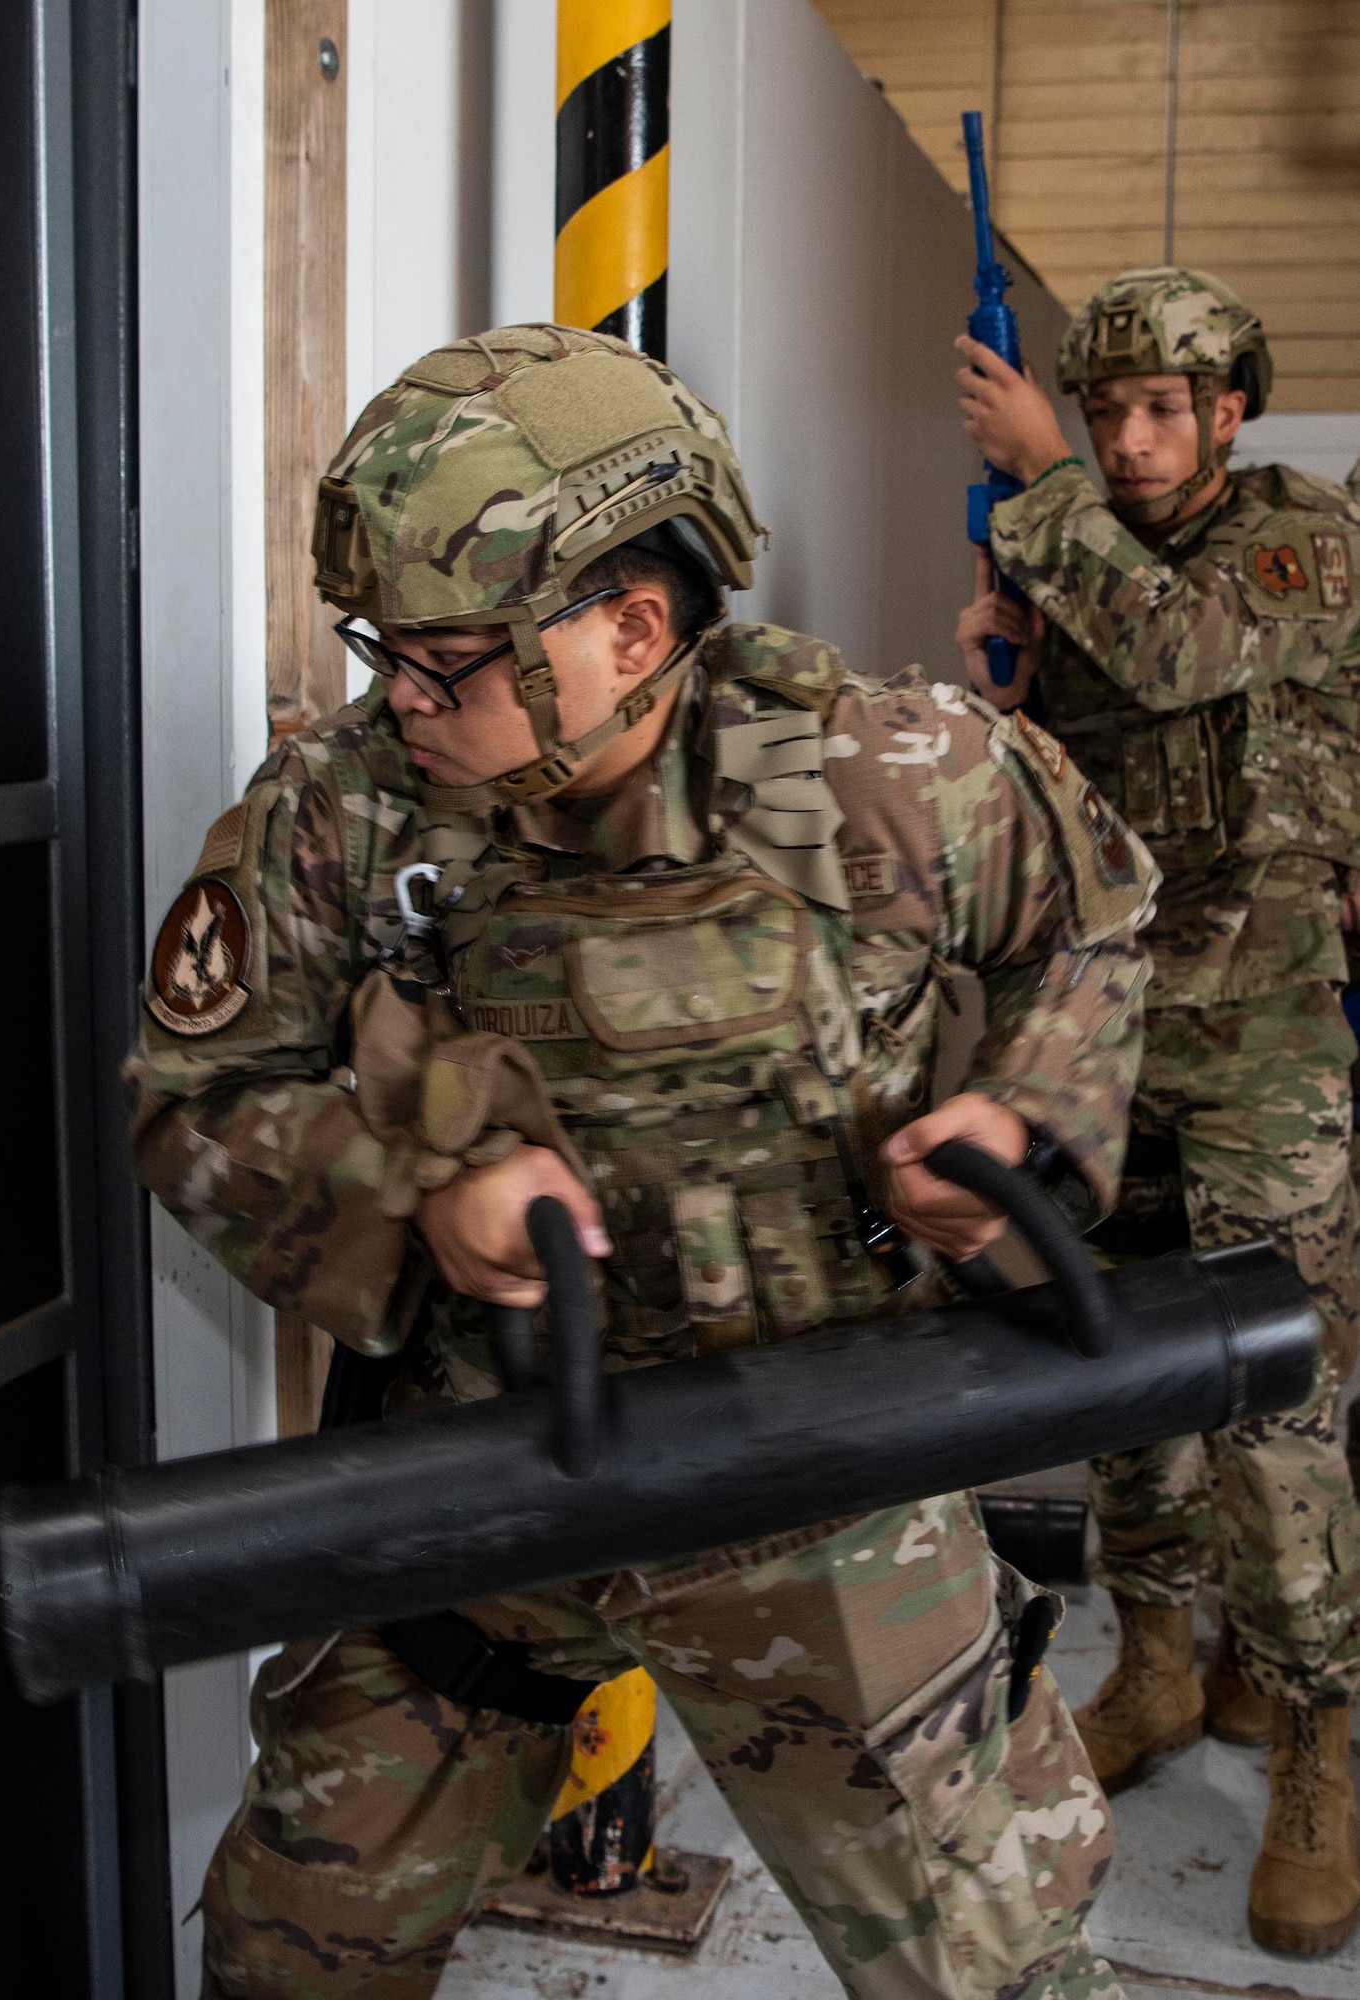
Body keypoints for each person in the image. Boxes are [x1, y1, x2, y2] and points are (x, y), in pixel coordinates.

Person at [133, 324, 1156, 2000]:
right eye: (383, 646)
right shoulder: (343, 814)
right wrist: (415, 1213)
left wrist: (1025, 1125)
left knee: (997, 1973)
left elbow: (1099, 920)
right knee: (293, 1947)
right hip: (489, 1470)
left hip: (824, 1477)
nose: (400, 692)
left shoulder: (886, 771)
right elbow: (194, 1092)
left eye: (448, 659)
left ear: (632, 628)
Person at [955, 267, 1360, 1958]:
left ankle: (1320, 1738)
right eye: (1101, 411)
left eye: (1158, 410)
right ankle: (1165, 1665)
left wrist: (1042, 484)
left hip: (1262, 1036)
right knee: (1122, 1374)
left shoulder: (1298, 536)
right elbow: (1061, 788)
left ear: (1229, 410)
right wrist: (997, 682)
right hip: (1105, 1035)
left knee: (1276, 1406)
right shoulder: (1069, 563)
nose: (1125, 440)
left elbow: (1191, 655)